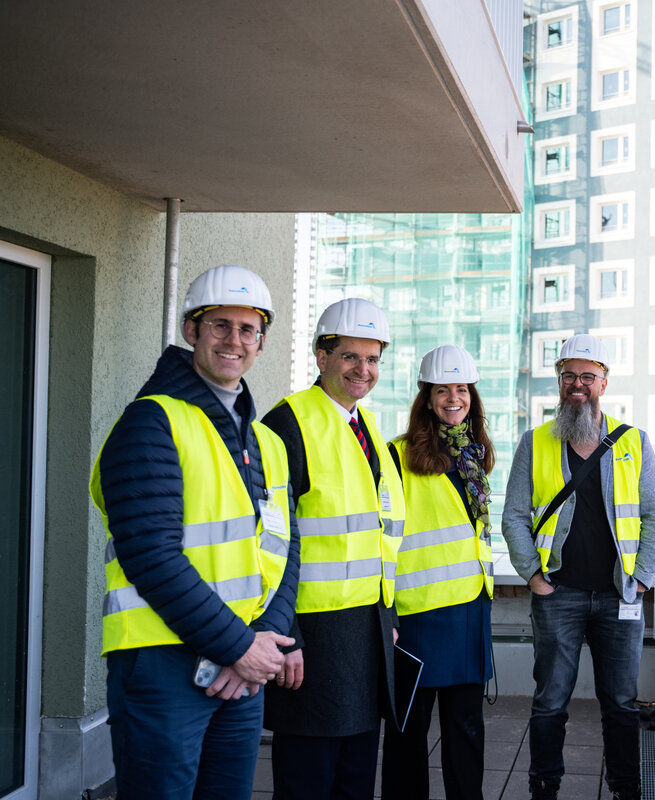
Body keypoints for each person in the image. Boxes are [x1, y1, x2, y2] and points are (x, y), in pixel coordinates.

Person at [90, 264, 300, 800]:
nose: (235, 341)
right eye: (220, 326)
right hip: (164, 666)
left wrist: (265, 643)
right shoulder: (151, 422)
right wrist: (239, 647)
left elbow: (283, 547)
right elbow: (150, 556)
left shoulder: (263, 440)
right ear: (192, 331)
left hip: (240, 668)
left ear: (261, 341)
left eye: (248, 329)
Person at [502, 334, 655, 800]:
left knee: (620, 703)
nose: (578, 384)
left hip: (619, 597)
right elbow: (514, 514)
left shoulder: (635, 442)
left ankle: (626, 789)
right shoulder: (534, 443)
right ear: (559, 381)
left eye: (588, 376)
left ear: (604, 382)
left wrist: (640, 579)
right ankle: (544, 788)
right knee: (550, 703)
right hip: (559, 595)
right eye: (569, 375)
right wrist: (533, 576)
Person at [262, 298, 405, 800]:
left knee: (355, 777)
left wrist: (387, 618)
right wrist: (285, 633)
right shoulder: (287, 424)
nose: (362, 370)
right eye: (350, 357)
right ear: (321, 358)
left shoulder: (367, 429)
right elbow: (270, 542)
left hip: (366, 632)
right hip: (311, 635)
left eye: (372, 360)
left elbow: (379, 538)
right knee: (308, 779)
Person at [381, 344, 496, 800]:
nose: (455, 398)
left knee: (467, 731)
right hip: (416, 618)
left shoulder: (474, 454)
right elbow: (381, 538)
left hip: (468, 611)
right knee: (407, 734)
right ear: (426, 398)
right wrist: (386, 612)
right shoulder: (395, 456)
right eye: (443, 389)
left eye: (463, 389)